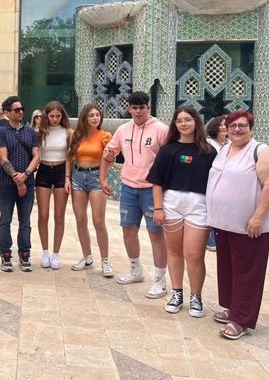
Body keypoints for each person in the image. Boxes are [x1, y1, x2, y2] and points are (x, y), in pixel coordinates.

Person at [206, 110, 269, 340]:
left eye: (243, 125)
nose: (237, 129)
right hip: (224, 223)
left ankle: (241, 320)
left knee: (247, 273)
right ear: (226, 129)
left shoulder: (261, 151)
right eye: (232, 126)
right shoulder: (225, 150)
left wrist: (258, 217)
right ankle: (232, 308)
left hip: (249, 226)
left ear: (251, 128)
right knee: (228, 269)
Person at [147, 106, 217, 318]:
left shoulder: (208, 151)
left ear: (196, 121)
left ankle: (196, 297)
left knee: (195, 254)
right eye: (179, 121)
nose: (184, 124)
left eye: (188, 119)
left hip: (198, 205)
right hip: (172, 203)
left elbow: (216, 183)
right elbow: (156, 181)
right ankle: (177, 292)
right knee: (174, 252)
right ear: (175, 124)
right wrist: (158, 208)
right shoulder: (168, 150)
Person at [99, 91, 169, 298]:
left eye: (142, 108)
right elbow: (108, 154)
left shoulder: (161, 130)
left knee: (156, 233)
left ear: (148, 108)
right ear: (129, 109)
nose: (138, 112)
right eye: (134, 108)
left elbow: (169, 159)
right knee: (128, 230)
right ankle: (136, 269)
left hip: (151, 189)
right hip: (128, 187)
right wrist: (102, 178)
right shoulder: (123, 130)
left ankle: (160, 280)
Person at [0, 95, 40, 272]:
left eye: (22, 109)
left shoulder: (30, 132)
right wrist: (17, 178)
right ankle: (5, 254)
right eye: (16, 110)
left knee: (25, 221)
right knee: (5, 220)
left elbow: (36, 156)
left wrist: (26, 175)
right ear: (7, 112)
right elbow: (3, 158)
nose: (20, 112)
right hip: (7, 183)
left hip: (27, 183)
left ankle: (24, 253)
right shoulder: (1, 131)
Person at [67, 104, 113, 277]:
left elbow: (110, 157)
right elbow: (69, 157)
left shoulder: (105, 136)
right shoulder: (77, 135)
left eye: (97, 115)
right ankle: (87, 257)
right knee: (80, 219)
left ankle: (105, 260)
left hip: (95, 178)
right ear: (84, 118)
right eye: (91, 115)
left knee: (98, 220)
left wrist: (103, 177)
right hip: (78, 176)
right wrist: (67, 178)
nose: (95, 118)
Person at [34, 101, 72, 270]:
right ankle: (45, 251)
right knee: (43, 215)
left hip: (61, 171)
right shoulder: (39, 132)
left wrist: (67, 177)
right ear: (46, 116)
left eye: (58, 116)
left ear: (62, 116)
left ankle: (56, 253)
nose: (55, 119)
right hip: (43, 170)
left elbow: (71, 156)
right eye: (52, 116)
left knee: (59, 215)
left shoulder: (69, 132)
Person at [205, 115, 228, 251]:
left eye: (226, 125)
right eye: (220, 125)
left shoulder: (230, 144)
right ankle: (212, 241)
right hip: (212, 183)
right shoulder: (208, 145)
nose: (223, 127)